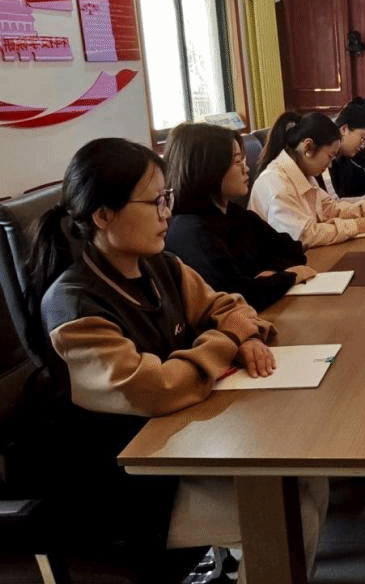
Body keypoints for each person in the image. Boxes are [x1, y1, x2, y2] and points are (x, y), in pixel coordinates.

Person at [27, 138, 328, 580]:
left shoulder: (161, 266)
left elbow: (229, 304)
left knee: (309, 478)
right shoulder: (72, 306)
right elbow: (155, 388)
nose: (167, 212)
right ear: (103, 215)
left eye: (166, 197)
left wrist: (244, 334)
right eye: (155, 202)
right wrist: (228, 339)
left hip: (182, 445)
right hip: (124, 483)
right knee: (288, 515)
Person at [163, 123, 315, 312]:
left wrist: (270, 275)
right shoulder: (190, 232)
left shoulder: (236, 214)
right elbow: (237, 296)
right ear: (209, 168)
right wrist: (289, 276)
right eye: (237, 162)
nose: (246, 169)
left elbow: (293, 250)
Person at [249, 111, 365, 248]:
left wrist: (364, 208)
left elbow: (329, 208)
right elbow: (302, 236)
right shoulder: (276, 182)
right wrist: (355, 226)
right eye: (330, 156)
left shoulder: (303, 174)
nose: (330, 165)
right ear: (308, 146)